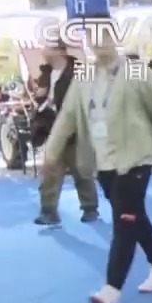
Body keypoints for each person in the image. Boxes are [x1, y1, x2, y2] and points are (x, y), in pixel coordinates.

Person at [43, 26, 152, 303]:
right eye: (92, 38)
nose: (98, 43)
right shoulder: (84, 74)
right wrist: (51, 151)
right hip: (104, 163)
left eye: (104, 36)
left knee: (124, 221)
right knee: (134, 216)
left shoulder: (135, 70)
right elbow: (67, 116)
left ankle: (111, 289)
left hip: (136, 157)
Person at [34, 41, 100, 225]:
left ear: (59, 51)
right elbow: (41, 99)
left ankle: (90, 208)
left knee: (81, 171)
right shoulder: (45, 73)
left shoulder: (81, 70)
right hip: (53, 128)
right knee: (50, 173)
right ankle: (48, 211)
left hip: (77, 129)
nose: (42, 51)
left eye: (46, 47)